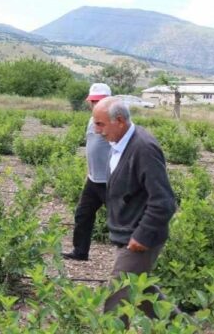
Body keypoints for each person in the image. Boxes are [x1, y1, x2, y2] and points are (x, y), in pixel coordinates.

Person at [92, 97, 177, 320]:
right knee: (144, 292)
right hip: (127, 233)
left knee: (117, 297)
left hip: (140, 238)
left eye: (100, 124)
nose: (96, 129)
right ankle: (182, 327)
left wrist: (142, 235)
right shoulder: (118, 144)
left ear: (119, 121)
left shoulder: (143, 148)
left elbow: (164, 200)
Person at [62, 83, 113, 261]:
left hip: (111, 181)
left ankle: (132, 263)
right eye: (93, 101)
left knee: (122, 221)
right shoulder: (92, 120)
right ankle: (80, 251)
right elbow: (92, 148)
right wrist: (88, 173)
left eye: (100, 101)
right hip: (93, 180)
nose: (96, 105)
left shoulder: (117, 123)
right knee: (83, 214)